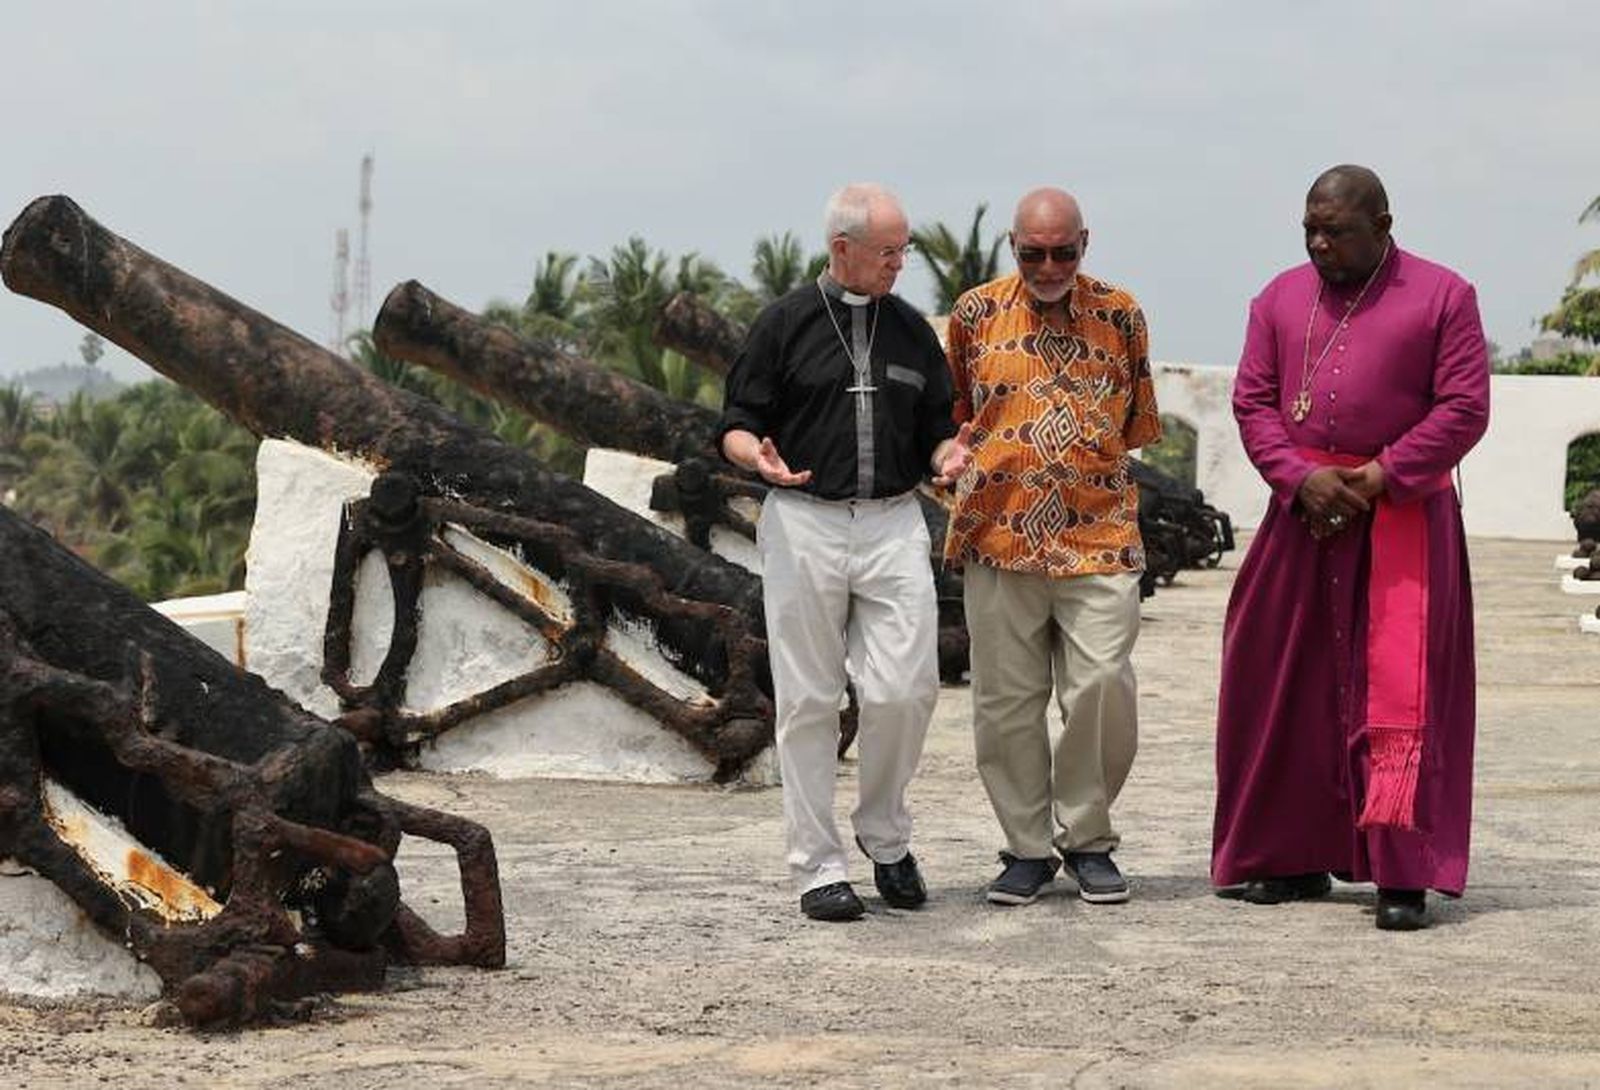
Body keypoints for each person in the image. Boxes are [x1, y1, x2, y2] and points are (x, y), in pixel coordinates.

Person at [1211, 165, 1490, 931]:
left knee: (1400, 699)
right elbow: (1253, 401)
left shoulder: (1443, 296)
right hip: (1300, 518)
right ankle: (1288, 857)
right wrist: (1300, 480)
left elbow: (1465, 407)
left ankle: (1402, 873)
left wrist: (1377, 477)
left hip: (1401, 522)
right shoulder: (1277, 298)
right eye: (1310, 229)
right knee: (1280, 683)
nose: (1320, 244)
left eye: (1336, 230)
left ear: (1385, 225)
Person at [719, 183, 972, 922]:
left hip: (894, 520)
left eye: (904, 251)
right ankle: (817, 866)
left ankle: (885, 835)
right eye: (888, 252)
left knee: (906, 689)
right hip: (804, 519)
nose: (900, 264)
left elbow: (936, 424)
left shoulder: (911, 332)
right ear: (843, 250)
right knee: (809, 700)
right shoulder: (784, 324)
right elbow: (736, 421)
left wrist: (947, 455)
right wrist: (753, 459)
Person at [944, 187, 1161, 907]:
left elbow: (1134, 421)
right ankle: (1028, 848)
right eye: (1032, 253)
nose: (1047, 266)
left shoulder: (1122, 314)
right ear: (1013, 246)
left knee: (1102, 685)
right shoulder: (973, 315)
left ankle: (1089, 837)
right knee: (1006, 702)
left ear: (1085, 244)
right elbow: (959, 416)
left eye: (1061, 252)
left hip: (1098, 530)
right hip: (998, 530)